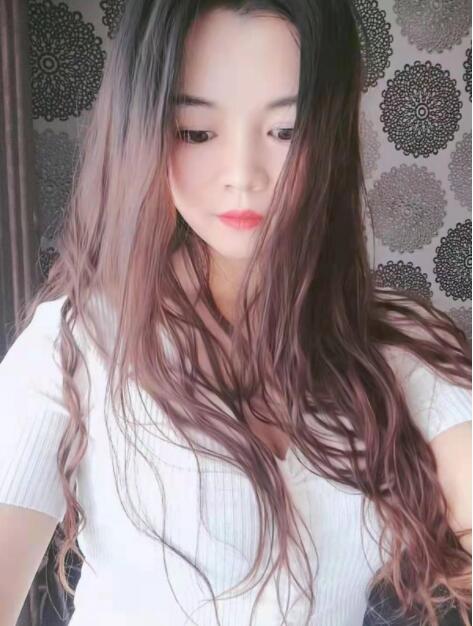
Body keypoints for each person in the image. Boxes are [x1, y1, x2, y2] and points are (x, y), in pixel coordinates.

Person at [0, 2, 471, 625]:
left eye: (286, 131)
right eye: (197, 132)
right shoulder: (74, 346)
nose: (243, 177)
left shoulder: (396, 344)